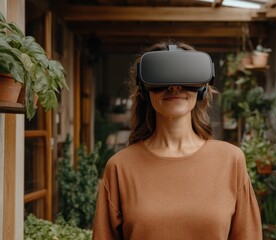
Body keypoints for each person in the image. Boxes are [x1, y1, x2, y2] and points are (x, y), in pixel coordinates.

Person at [92, 41, 262, 240]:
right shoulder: (120, 167)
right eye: (161, 79)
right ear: (145, 89)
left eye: (185, 77)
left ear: (202, 89)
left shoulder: (230, 160)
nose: (174, 87)